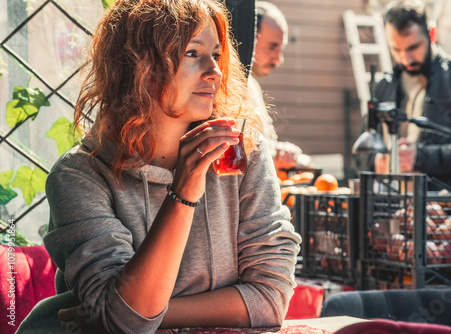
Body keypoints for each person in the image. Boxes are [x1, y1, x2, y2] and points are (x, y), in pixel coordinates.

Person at [17, 0, 301, 333]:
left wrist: (137, 315)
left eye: (216, 54)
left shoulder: (241, 153)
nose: (215, 71)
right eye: (193, 54)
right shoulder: (80, 177)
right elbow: (128, 322)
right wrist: (183, 192)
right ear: (140, 67)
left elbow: (270, 299)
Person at [369, 0, 451, 188]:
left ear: (432, 34)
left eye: (413, 47)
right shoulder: (384, 86)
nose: (406, 58)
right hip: (393, 204)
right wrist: (376, 161)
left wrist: (422, 157)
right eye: (396, 49)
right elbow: (363, 150)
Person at [248, 1, 313, 170]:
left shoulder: (251, 84)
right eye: (272, 47)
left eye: (281, 48)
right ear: (248, 39)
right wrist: (278, 153)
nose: (279, 60)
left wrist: (279, 152)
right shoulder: (228, 85)